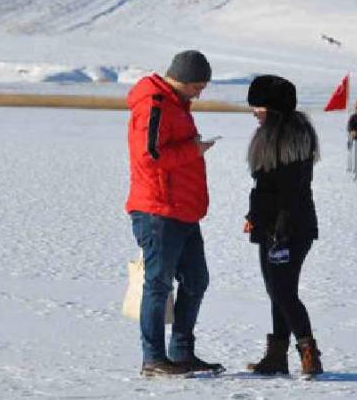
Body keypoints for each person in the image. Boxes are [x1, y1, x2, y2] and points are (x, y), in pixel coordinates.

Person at [126, 49, 223, 377]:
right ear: (185, 78)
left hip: (182, 210)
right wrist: (192, 150)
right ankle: (153, 358)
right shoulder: (155, 103)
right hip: (158, 210)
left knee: (196, 279)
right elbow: (149, 156)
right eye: (200, 84)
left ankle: (181, 352)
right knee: (158, 284)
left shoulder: (176, 105)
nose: (201, 91)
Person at [242, 74, 324, 377]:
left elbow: (290, 193)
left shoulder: (290, 140)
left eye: (258, 108)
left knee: (283, 291)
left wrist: (280, 228)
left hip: (289, 228)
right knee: (277, 289)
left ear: (273, 109)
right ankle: (277, 356)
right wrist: (254, 217)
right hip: (273, 226)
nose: (254, 113)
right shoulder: (273, 137)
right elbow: (264, 190)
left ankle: (308, 352)